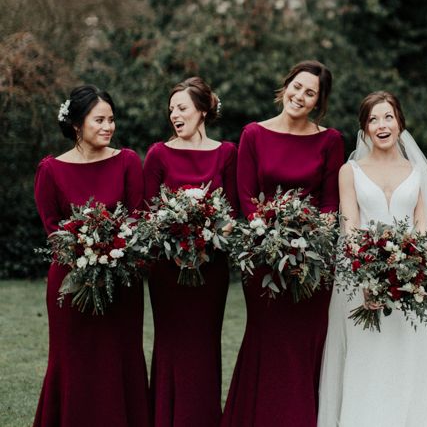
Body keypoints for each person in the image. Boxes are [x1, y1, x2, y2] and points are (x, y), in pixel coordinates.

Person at [318, 91, 427, 427]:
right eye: (373, 119)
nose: (381, 125)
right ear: (365, 129)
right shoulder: (350, 171)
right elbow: (350, 226)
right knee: (367, 360)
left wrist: (415, 274)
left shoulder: (417, 171)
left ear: (399, 122)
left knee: (407, 360)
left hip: (408, 285)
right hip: (362, 282)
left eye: (388, 117)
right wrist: (368, 280)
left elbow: (423, 228)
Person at [222, 60, 345, 427]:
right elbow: (245, 196)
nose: (300, 96)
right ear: (286, 85)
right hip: (264, 258)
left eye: (311, 93)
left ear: (317, 103)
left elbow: (330, 202)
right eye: (297, 87)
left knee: (304, 345)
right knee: (268, 341)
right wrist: (269, 233)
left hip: (313, 262)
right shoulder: (253, 134)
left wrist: (308, 238)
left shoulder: (331, 140)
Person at [33, 85, 150, 427]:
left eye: (111, 119)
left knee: (120, 358)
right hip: (72, 282)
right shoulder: (50, 170)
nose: (108, 126)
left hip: (122, 282)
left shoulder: (127, 161)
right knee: (74, 361)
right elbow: (53, 229)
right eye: (99, 119)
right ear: (76, 125)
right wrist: (84, 250)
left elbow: (137, 217)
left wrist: (113, 250)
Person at [143, 76, 239, 427]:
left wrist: (208, 237)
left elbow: (233, 212)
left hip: (210, 270)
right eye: (171, 110)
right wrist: (175, 238)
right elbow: (146, 213)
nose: (175, 115)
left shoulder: (227, 153)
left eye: (182, 108)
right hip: (167, 272)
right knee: (170, 344)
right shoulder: (157, 154)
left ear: (202, 110)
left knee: (204, 344)